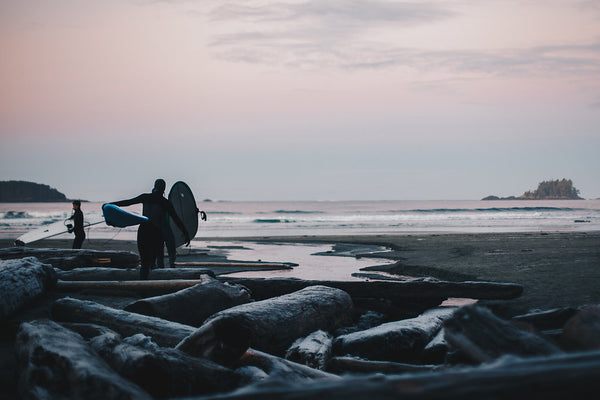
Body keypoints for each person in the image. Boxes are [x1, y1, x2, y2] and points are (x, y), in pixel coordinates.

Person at [108, 179, 190, 279]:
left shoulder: (145, 197)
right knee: (153, 261)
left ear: (154, 187)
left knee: (144, 262)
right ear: (164, 189)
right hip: (156, 233)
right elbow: (176, 219)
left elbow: (127, 202)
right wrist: (186, 233)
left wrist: (110, 204)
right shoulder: (165, 202)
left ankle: (143, 286)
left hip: (143, 230)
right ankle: (155, 284)